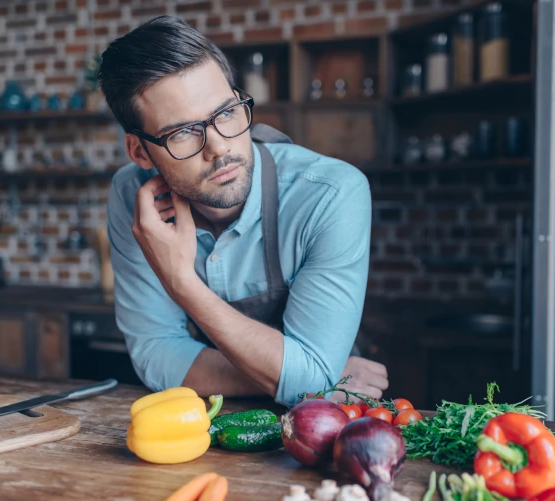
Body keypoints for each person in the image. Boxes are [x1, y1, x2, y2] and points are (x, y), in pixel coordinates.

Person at [99, 15, 388, 407]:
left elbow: (311, 385)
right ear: (139, 151)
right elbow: (154, 355)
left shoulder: (331, 193)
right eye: (182, 132)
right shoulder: (132, 196)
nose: (219, 147)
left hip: (329, 423)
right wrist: (307, 375)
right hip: (210, 426)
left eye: (226, 113)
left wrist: (181, 283)